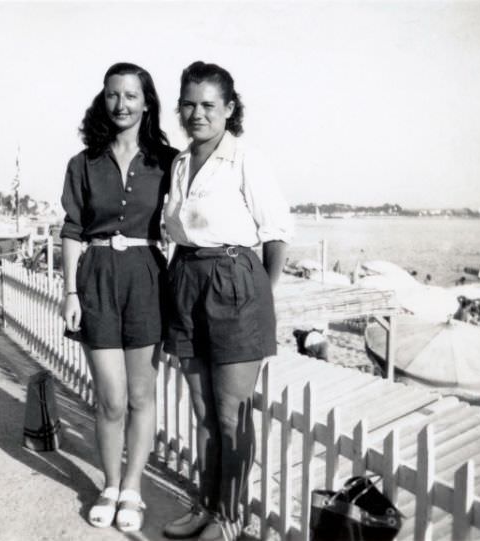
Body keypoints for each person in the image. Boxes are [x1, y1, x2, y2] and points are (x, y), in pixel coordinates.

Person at [162, 61, 292, 541]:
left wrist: (260, 295)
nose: (198, 114)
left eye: (209, 105)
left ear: (229, 109)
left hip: (234, 279)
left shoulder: (245, 160)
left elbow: (276, 235)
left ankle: (230, 518)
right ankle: (206, 505)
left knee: (231, 409)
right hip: (186, 277)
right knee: (202, 410)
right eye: (189, 104)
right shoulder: (179, 162)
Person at [59, 62, 177, 532]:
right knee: (110, 398)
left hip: (148, 278)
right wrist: (70, 290)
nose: (121, 104)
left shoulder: (168, 161)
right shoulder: (82, 163)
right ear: (102, 100)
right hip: (97, 280)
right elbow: (71, 229)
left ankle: (133, 489)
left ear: (146, 102)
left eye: (131, 96)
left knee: (141, 395)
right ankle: (109, 484)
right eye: (113, 95)